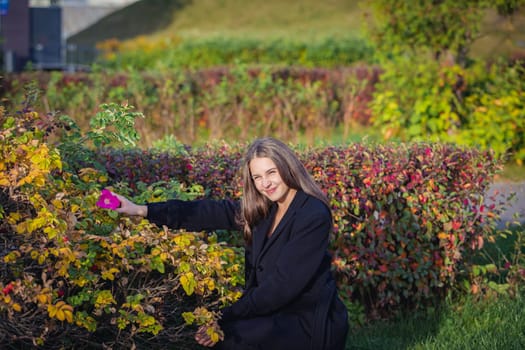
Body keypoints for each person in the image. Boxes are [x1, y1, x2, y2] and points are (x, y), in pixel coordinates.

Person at [110, 137, 348, 350]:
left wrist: (223, 317)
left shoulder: (313, 214)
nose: (266, 183)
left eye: (271, 172)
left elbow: (281, 288)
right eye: (257, 177)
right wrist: (142, 209)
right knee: (219, 336)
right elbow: (209, 212)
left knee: (228, 337)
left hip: (305, 320)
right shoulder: (264, 209)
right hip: (270, 311)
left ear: (287, 168)